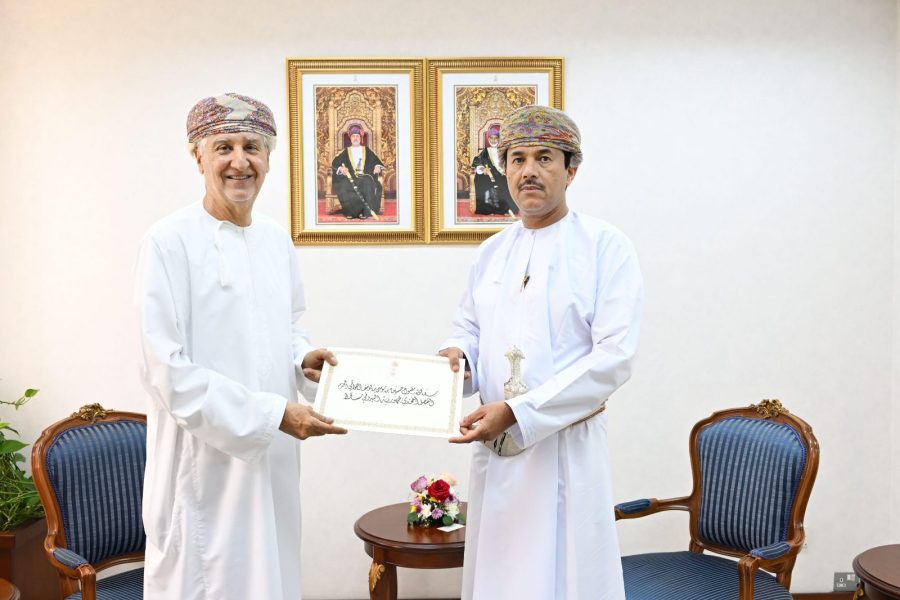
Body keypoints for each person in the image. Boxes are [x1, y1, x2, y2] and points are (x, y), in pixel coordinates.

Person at [136, 92, 347, 600]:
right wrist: (272, 414)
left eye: (252, 147)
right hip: (204, 466)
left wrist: (302, 358)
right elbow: (167, 372)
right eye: (223, 147)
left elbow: (287, 326)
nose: (239, 161)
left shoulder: (275, 239)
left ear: (268, 159)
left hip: (273, 459)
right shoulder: (168, 241)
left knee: (271, 577)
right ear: (198, 157)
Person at [440, 105, 643, 599]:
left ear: (571, 170)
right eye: (517, 159)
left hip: (565, 448)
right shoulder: (490, 252)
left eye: (544, 158)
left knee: (565, 579)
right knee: (501, 577)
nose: (528, 171)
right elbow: (468, 329)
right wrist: (457, 358)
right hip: (497, 452)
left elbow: (614, 357)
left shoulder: (605, 247)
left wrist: (519, 411)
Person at [331, 124, 385, 219]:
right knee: (343, 185)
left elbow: (376, 161)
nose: (355, 138)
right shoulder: (345, 151)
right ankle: (350, 212)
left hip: (365, 176)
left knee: (368, 182)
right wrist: (341, 169)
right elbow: (334, 163)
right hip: (350, 178)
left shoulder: (366, 150)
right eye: (353, 136)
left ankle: (365, 212)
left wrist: (377, 167)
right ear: (350, 138)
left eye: (357, 136)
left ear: (360, 138)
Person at [470, 124, 517, 216]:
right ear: (488, 139)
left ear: (499, 139)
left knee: (506, 183)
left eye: (495, 138)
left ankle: (508, 209)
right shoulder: (486, 151)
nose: (493, 140)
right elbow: (477, 161)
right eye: (491, 138)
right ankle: (488, 209)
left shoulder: (504, 150)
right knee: (480, 180)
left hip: (503, 175)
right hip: (490, 176)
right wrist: (482, 169)